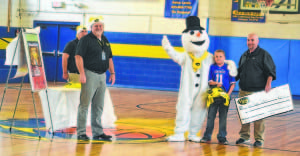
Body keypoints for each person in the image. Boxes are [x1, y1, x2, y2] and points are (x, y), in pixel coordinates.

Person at [75, 17, 116, 141]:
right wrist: (82, 73)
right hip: (89, 74)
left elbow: (109, 58)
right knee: (84, 105)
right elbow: (78, 56)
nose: (98, 28)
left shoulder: (105, 39)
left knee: (98, 105)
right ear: (91, 28)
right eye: (95, 26)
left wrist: (112, 73)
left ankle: (97, 132)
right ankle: (81, 132)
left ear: (103, 27)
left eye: (100, 26)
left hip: (102, 76)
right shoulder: (85, 40)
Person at [235, 33, 276, 147]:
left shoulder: (264, 54)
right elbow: (239, 72)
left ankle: (259, 139)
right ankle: (244, 137)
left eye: (252, 40)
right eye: (248, 40)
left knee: (258, 116)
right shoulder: (244, 55)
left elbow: (271, 71)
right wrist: (229, 81)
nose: (250, 42)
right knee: (244, 115)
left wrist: (268, 84)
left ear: (257, 41)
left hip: (258, 91)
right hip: (243, 90)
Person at [200, 50, 236, 145]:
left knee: (223, 118)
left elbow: (233, 84)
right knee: (211, 116)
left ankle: (222, 137)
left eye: (220, 56)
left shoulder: (229, 67)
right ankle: (207, 136)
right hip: (214, 96)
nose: (218, 58)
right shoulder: (212, 67)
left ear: (224, 57)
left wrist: (228, 95)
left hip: (224, 97)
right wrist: (216, 83)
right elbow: (209, 81)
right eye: (216, 57)